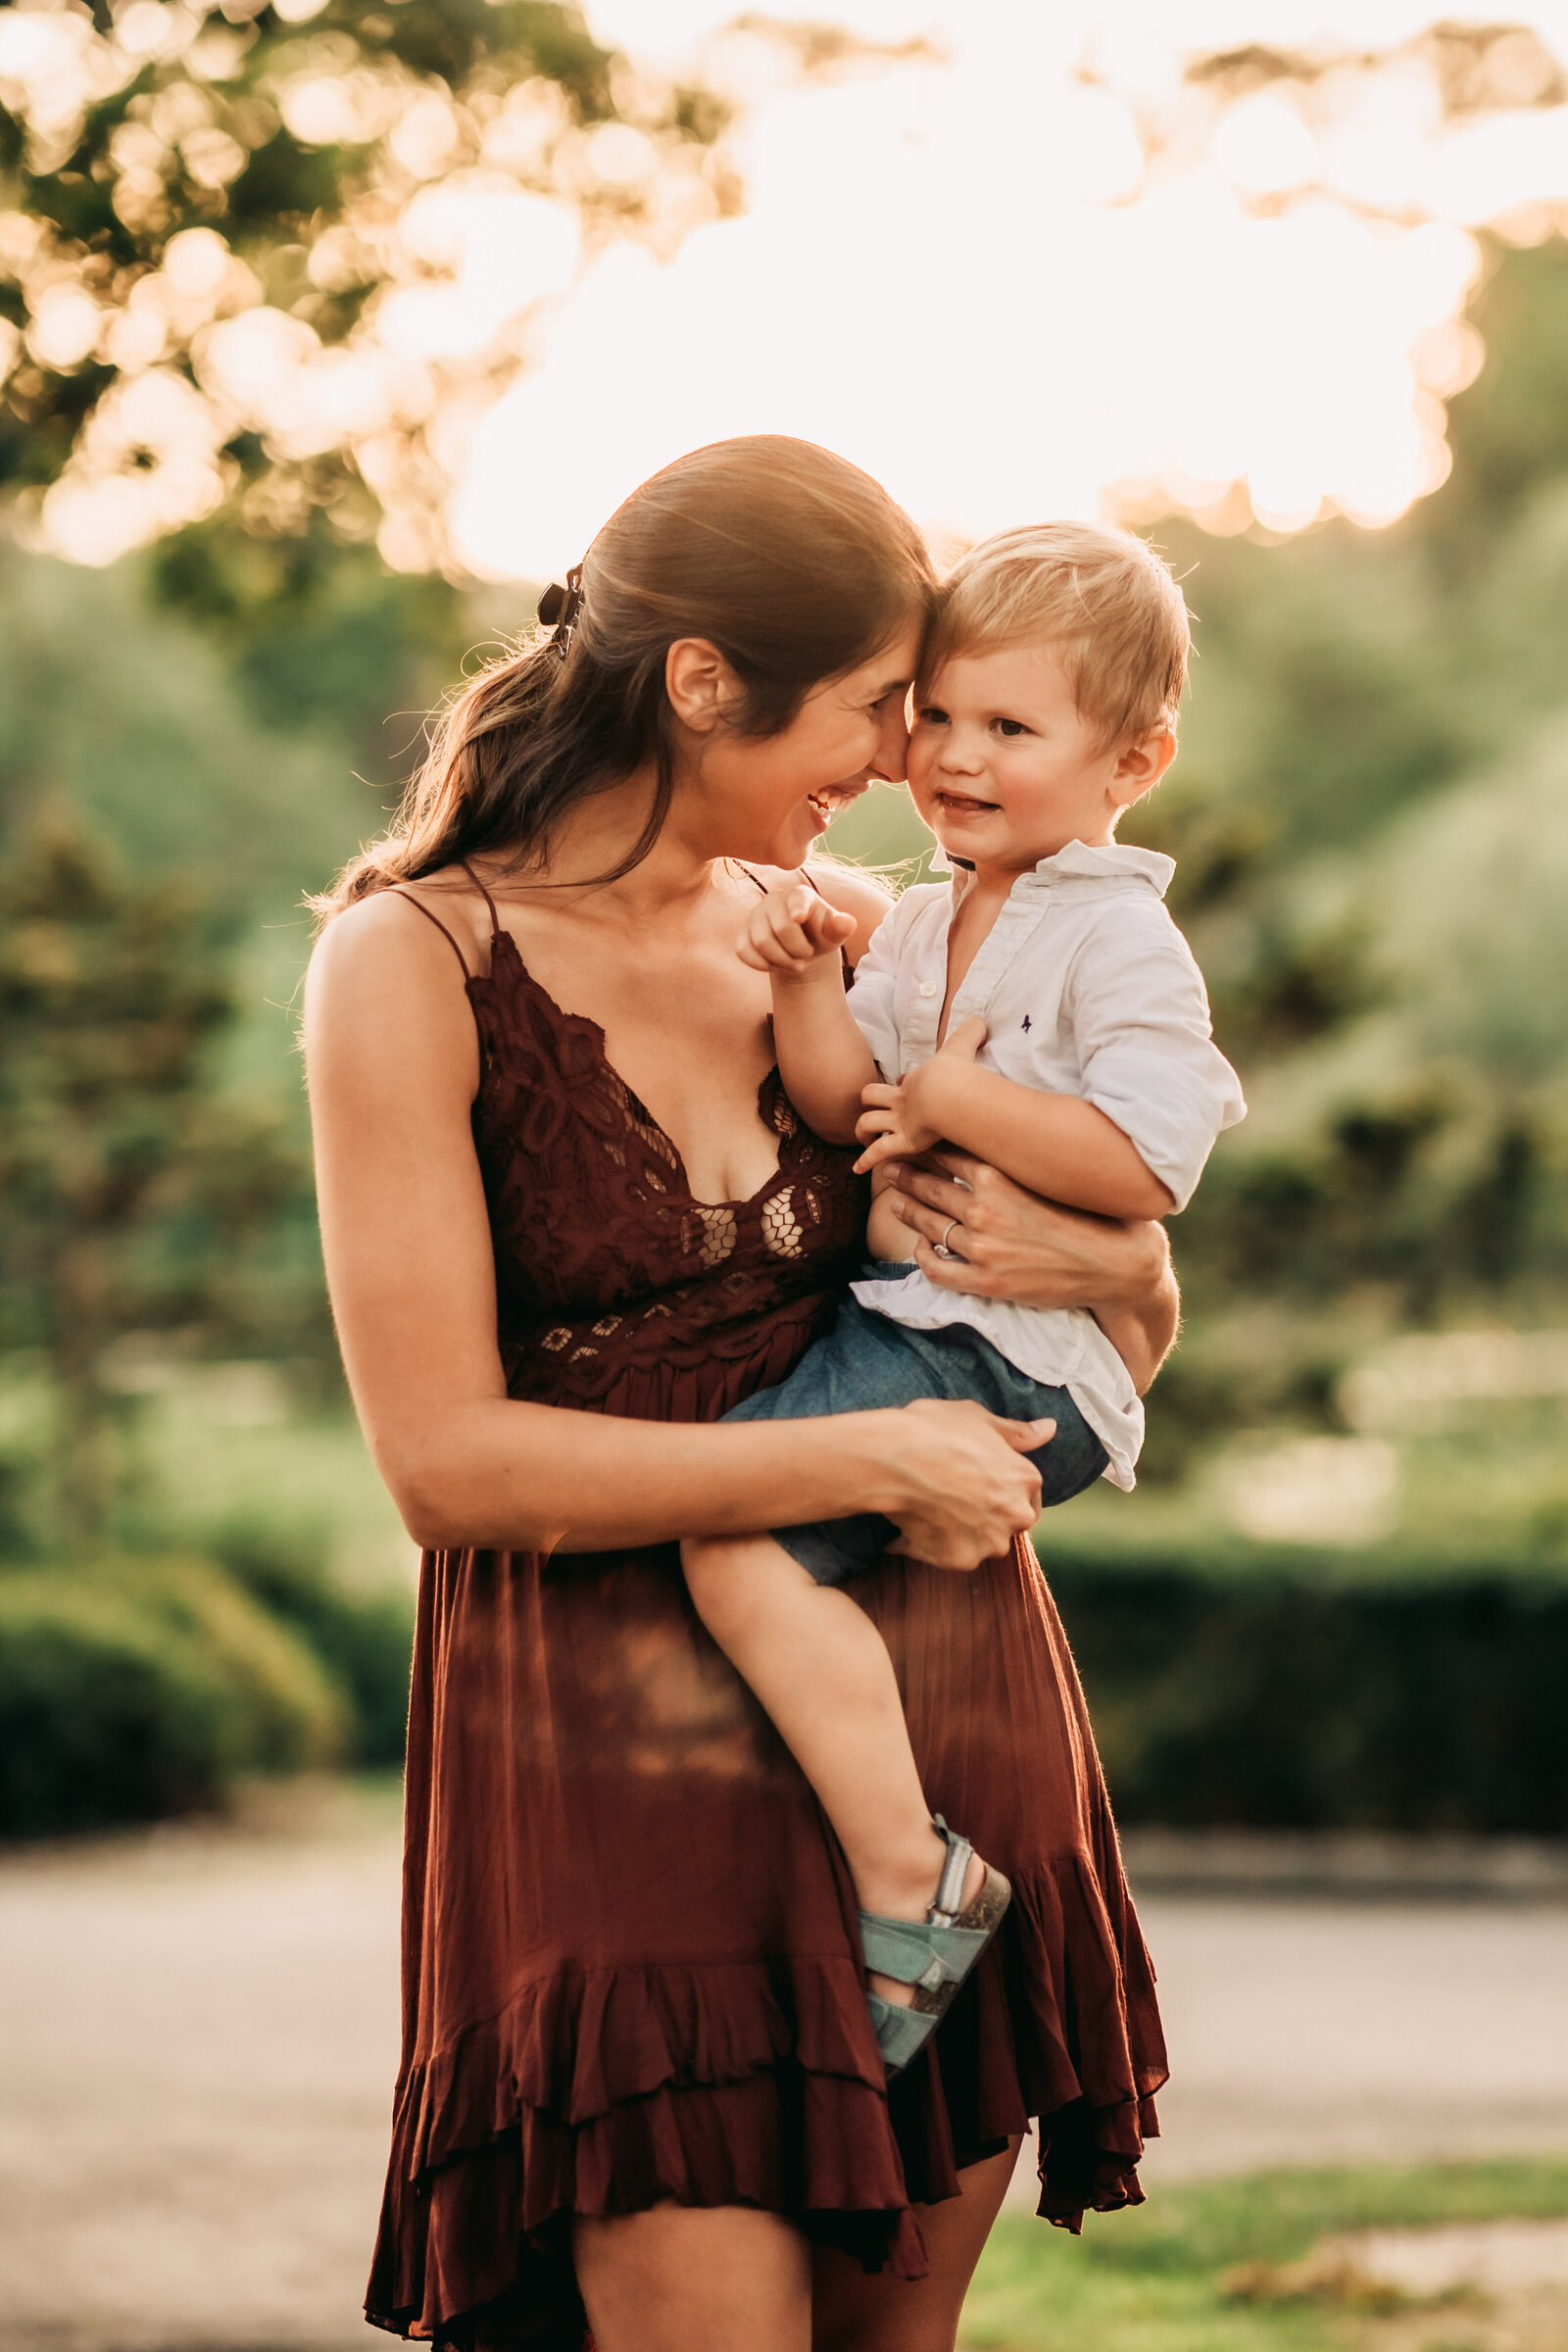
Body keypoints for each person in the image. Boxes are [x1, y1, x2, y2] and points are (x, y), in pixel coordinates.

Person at [305, 439, 1179, 2352]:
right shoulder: (412, 964)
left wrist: (1125, 1274)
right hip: (607, 1753)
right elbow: (440, 1466)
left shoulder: (853, 941)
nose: (900, 764)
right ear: (702, 679)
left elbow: (1089, 1310)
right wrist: (869, 1445)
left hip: (942, 1698)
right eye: (878, 705)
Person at [682, 522, 1246, 2075]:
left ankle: (910, 1877)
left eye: (1011, 727)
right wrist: (807, 983)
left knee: (736, 1547)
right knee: (778, 1543)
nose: (952, 756)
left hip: (1026, 1358)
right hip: (922, 1328)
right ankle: (877, 1856)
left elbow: (1148, 1162)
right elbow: (847, 1102)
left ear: (1134, 758)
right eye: (936, 715)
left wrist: (954, 1098)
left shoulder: (1122, 938)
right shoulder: (930, 913)